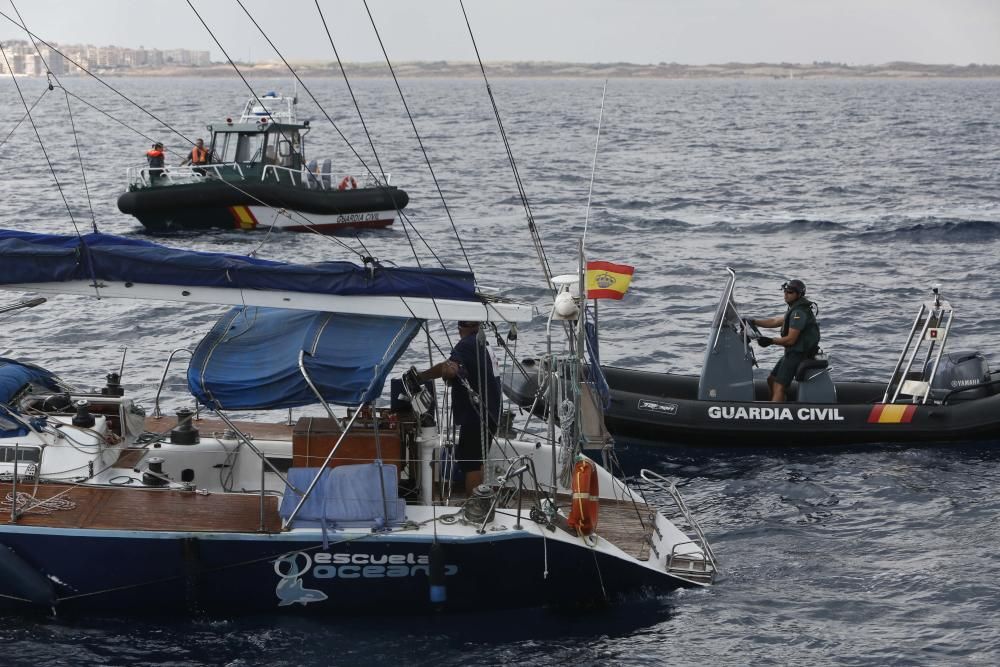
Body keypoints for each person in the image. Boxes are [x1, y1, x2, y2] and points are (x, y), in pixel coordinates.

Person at [418, 321, 501, 495]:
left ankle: (475, 507)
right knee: (478, 459)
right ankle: (481, 499)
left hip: (477, 414)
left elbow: (450, 368)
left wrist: (424, 376)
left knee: (470, 462)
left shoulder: (465, 344)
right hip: (491, 412)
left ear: (460, 328)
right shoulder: (482, 342)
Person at [747, 279, 821, 402]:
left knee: (778, 385)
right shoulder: (794, 308)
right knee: (771, 379)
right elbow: (775, 321)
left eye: (790, 292)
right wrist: (754, 322)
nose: (786, 294)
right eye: (785, 291)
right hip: (793, 352)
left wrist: (770, 341)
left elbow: (791, 340)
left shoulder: (799, 312)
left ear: (799, 294)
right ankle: (782, 402)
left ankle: (777, 412)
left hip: (798, 354)